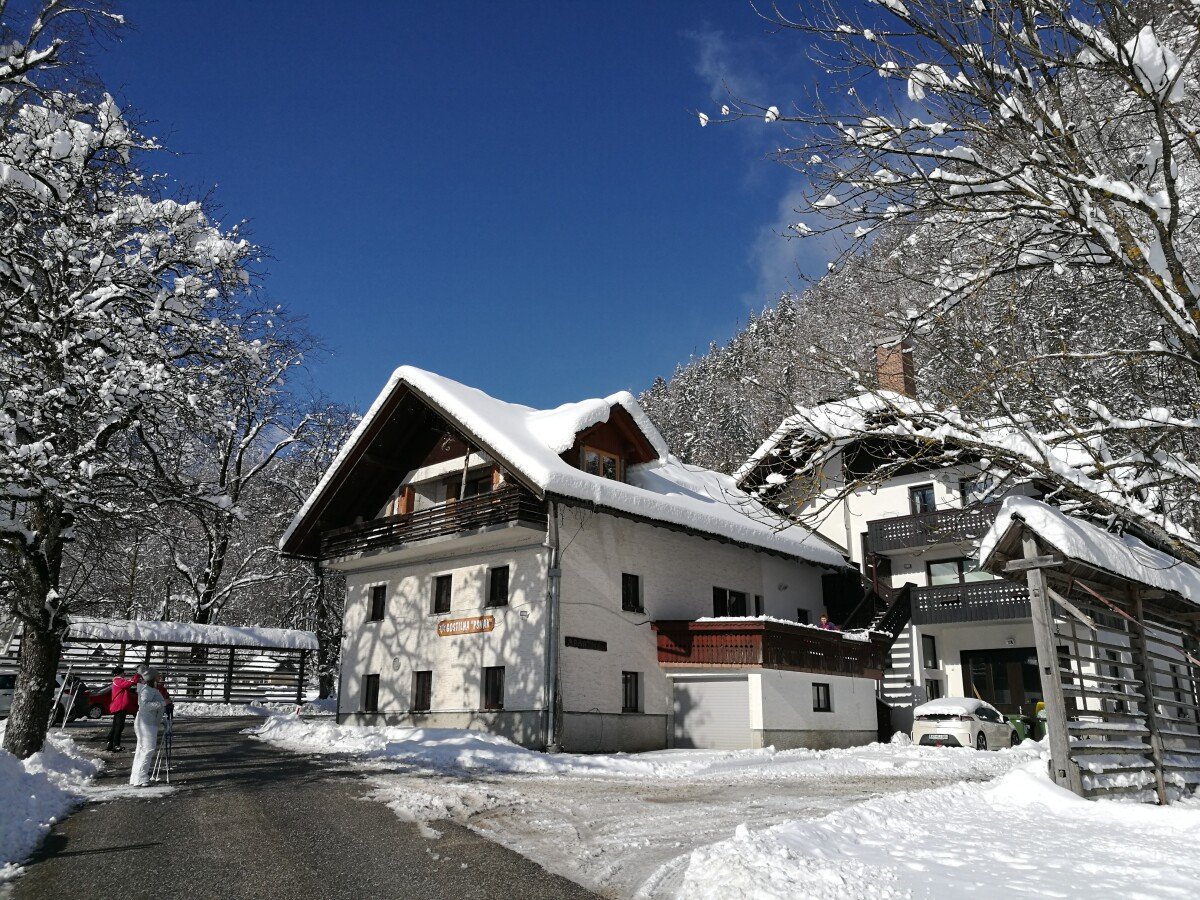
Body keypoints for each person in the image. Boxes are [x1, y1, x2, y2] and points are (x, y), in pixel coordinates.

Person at [130, 666, 169, 787]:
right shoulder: (146, 690)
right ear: (152, 678)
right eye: (157, 676)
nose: (160, 677)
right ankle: (141, 777)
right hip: (146, 723)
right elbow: (145, 705)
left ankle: (136, 777)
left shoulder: (153, 689)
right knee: (148, 749)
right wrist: (163, 703)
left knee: (142, 750)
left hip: (149, 722)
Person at [106, 666, 140, 752]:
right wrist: (138, 674)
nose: (124, 674)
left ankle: (110, 743)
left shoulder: (117, 681)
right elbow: (129, 683)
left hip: (119, 706)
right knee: (119, 726)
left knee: (115, 726)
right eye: (123, 672)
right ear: (119, 673)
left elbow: (129, 682)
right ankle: (116, 745)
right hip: (119, 706)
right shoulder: (118, 680)